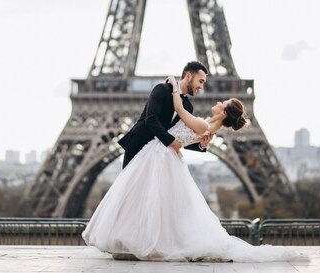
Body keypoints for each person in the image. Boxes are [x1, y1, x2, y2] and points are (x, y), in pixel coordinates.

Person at [82, 75, 303, 262]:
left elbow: (178, 108)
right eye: (201, 81)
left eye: (223, 101)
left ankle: (146, 242)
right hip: (160, 154)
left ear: (225, 112)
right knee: (153, 202)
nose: (217, 99)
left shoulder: (204, 125)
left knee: (152, 201)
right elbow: (185, 131)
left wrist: (175, 85)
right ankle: (141, 242)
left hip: (162, 156)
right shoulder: (208, 127)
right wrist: (201, 142)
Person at [117, 61, 212, 169]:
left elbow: (181, 137)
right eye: (200, 81)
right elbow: (151, 119)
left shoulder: (188, 107)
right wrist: (171, 141)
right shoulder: (162, 89)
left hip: (158, 152)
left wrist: (201, 145)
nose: (201, 87)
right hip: (139, 144)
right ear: (188, 76)